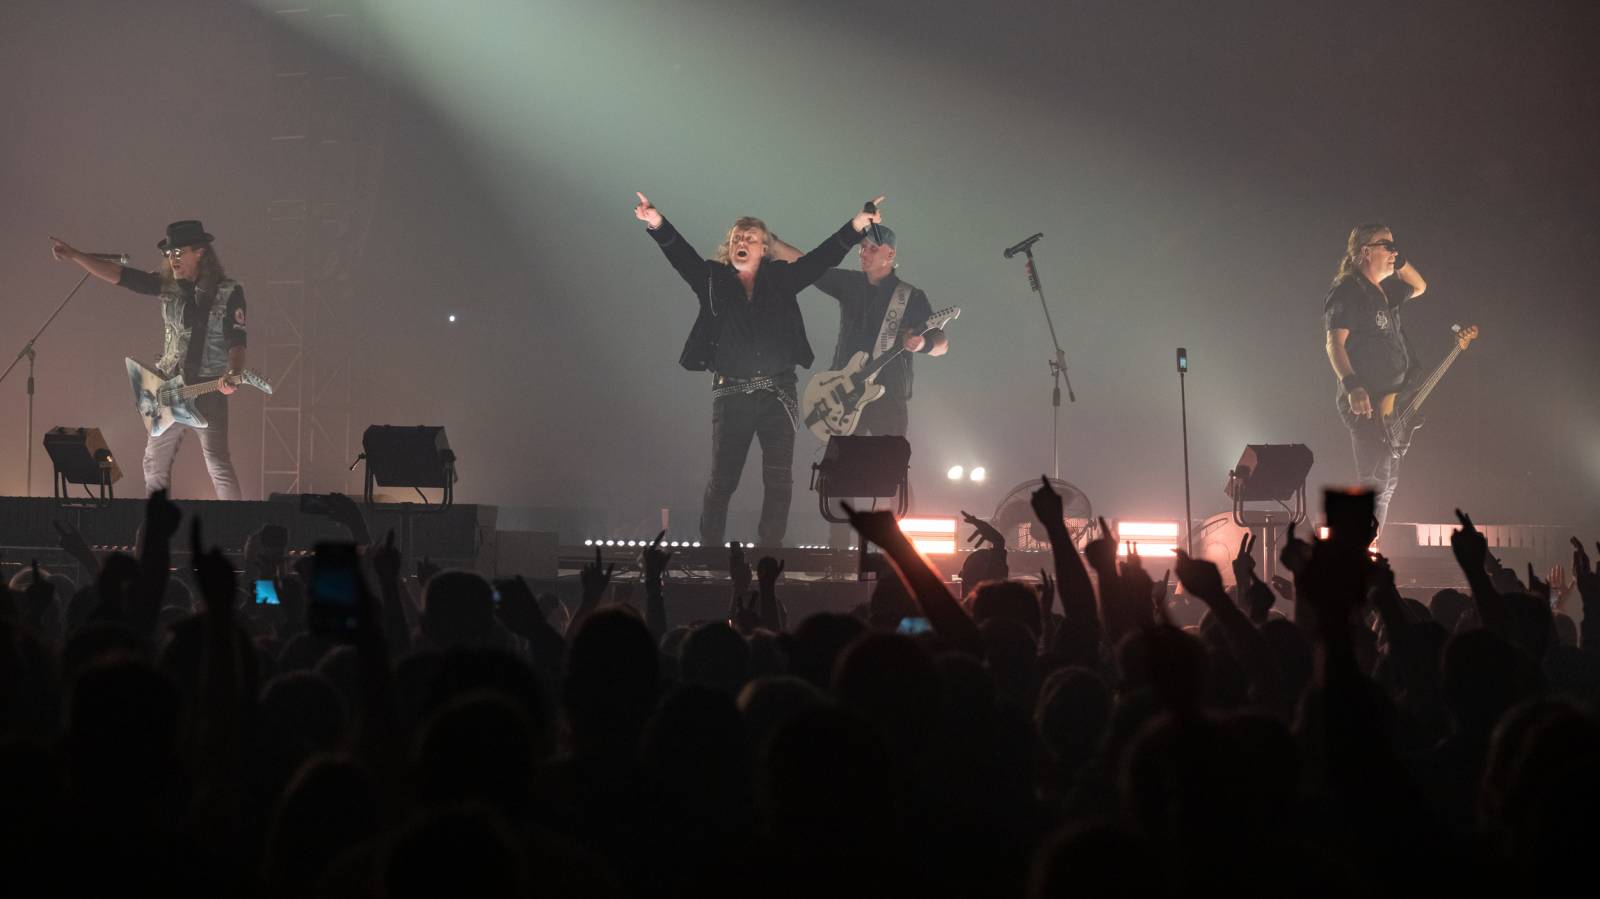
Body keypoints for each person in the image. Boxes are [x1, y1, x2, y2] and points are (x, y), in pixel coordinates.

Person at [634, 191, 883, 547]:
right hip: (731, 392)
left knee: (779, 479)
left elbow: (819, 260)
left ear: (763, 248)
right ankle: (711, 550)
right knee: (723, 480)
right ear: (729, 245)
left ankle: (770, 552)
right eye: (737, 237)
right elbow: (681, 257)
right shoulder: (712, 280)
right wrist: (657, 224)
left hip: (777, 393)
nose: (742, 241)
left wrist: (856, 226)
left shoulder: (781, 279)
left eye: (751, 238)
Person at [51, 220, 247, 500]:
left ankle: (237, 534)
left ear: (200, 252)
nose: (172, 258)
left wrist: (234, 372)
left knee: (218, 464)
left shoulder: (228, 291)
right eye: (169, 253)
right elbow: (121, 276)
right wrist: (75, 255)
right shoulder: (167, 285)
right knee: (154, 464)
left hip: (209, 389)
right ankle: (155, 529)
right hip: (168, 388)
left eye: (179, 252)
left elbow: (237, 339)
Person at [772, 224, 949, 437]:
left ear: (890, 253)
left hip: (888, 400)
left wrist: (923, 344)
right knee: (840, 468)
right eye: (862, 247)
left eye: (873, 248)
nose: (864, 253)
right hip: (842, 393)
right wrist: (773, 243)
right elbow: (809, 267)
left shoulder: (911, 296)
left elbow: (942, 345)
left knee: (886, 467)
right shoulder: (850, 283)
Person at [1323, 222, 1427, 536]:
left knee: (1388, 481)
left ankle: (1370, 542)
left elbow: (1421, 286)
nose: (1394, 251)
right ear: (1365, 252)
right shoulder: (1349, 291)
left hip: (1391, 403)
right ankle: (1359, 545)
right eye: (1387, 245)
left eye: (1396, 245)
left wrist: (1401, 258)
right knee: (1374, 480)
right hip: (1366, 401)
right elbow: (1334, 344)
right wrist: (1352, 384)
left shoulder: (1386, 292)